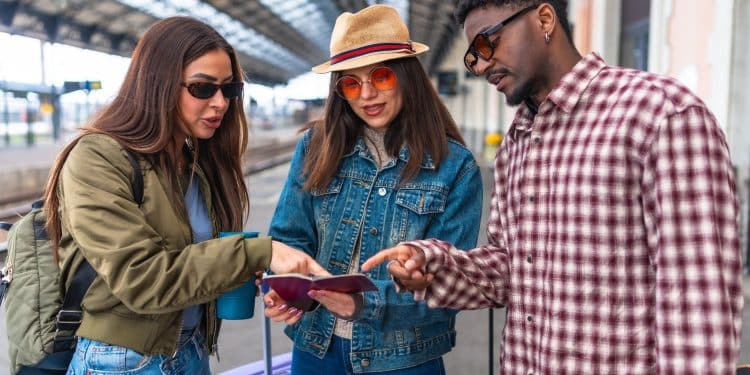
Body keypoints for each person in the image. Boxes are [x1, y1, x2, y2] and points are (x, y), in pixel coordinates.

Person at [363, 1, 744, 373]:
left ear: (544, 19)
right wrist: (432, 264)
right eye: (471, 56)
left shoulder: (659, 114)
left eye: (485, 43)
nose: (479, 65)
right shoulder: (518, 140)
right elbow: (511, 269)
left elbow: (697, 302)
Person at [41, 16, 325, 375]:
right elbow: (142, 279)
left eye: (230, 89)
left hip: (190, 353)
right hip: (123, 362)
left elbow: (197, 262)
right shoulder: (97, 157)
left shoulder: (195, 163)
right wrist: (257, 251)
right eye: (203, 88)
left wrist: (266, 281)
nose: (221, 102)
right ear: (157, 84)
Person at [262, 4, 483, 375]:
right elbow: (288, 238)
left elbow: (452, 285)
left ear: (406, 76)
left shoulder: (454, 167)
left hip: (406, 359)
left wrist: (365, 305)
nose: (367, 95)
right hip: (317, 351)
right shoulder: (315, 147)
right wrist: (290, 290)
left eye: (380, 77)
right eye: (351, 82)